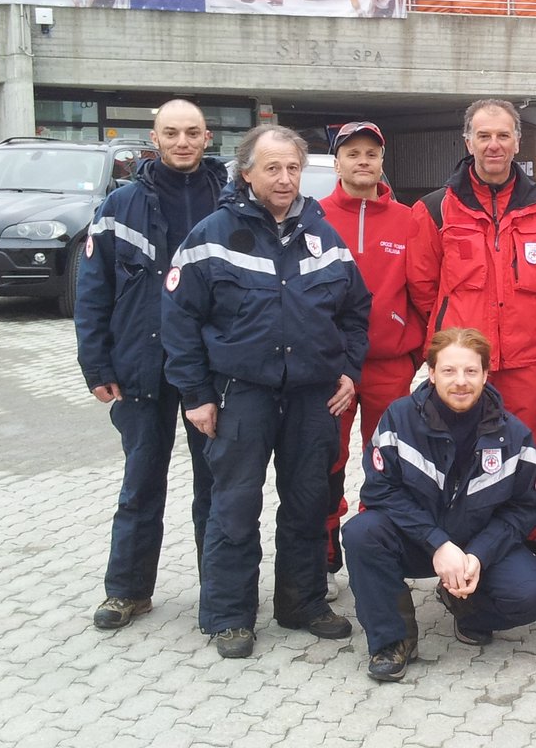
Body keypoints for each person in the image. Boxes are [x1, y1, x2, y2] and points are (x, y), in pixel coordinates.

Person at [162, 125, 369, 659]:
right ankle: (230, 615)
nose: (284, 178)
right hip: (240, 395)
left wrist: (348, 369)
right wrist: (196, 394)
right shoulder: (211, 235)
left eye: (293, 168)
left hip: (311, 397)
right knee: (233, 506)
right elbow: (180, 322)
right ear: (247, 172)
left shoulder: (323, 234)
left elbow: (355, 310)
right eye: (272, 168)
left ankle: (301, 603)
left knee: (307, 504)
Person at [76, 99, 227, 631]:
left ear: (207, 137)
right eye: (172, 133)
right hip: (141, 367)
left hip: (211, 373)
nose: (182, 142)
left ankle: (222, 593)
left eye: (192, 132)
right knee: (141, 484)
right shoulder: (120, 204)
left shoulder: (231, 200)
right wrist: (96, 364)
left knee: (217, 486)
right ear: (154, 138)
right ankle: (128, 591)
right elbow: (93, 290)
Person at [342, 329, 536, 682]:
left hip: (477, 546)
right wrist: (437, 542)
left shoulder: (514, 435)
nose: (460, 382)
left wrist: (479, 555)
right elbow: (380, 491)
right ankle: (393, 641)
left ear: (486, 375)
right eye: (449, 371)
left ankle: (467, 610)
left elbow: (527, 507)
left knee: (532, 595)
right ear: (431, 372)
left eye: (471, 372)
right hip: (416, 540)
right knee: (362, 533)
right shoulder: (398, 419)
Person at [408, 99, 536, 467]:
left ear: (517, 142)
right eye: (484, 135)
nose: (494, 144)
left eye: (503, 135)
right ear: (468, 142)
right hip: (462, 362)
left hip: (526, 360)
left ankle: (528, 527)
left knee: (527, 450)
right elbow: (423, 287)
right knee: (455, 451)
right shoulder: (434, 208)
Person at [319, 121, 425, 588]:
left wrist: (416, 350)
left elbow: (425, 291)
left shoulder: (408, 220)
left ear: (382, 162)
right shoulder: (313, 217)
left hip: (388, 365)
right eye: (352, 153)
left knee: (386, 460)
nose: (363, 161)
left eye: (371, 154)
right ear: (337, 161)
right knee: (326, 457)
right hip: (328, 368)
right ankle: (321, 541)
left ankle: (377, 543)